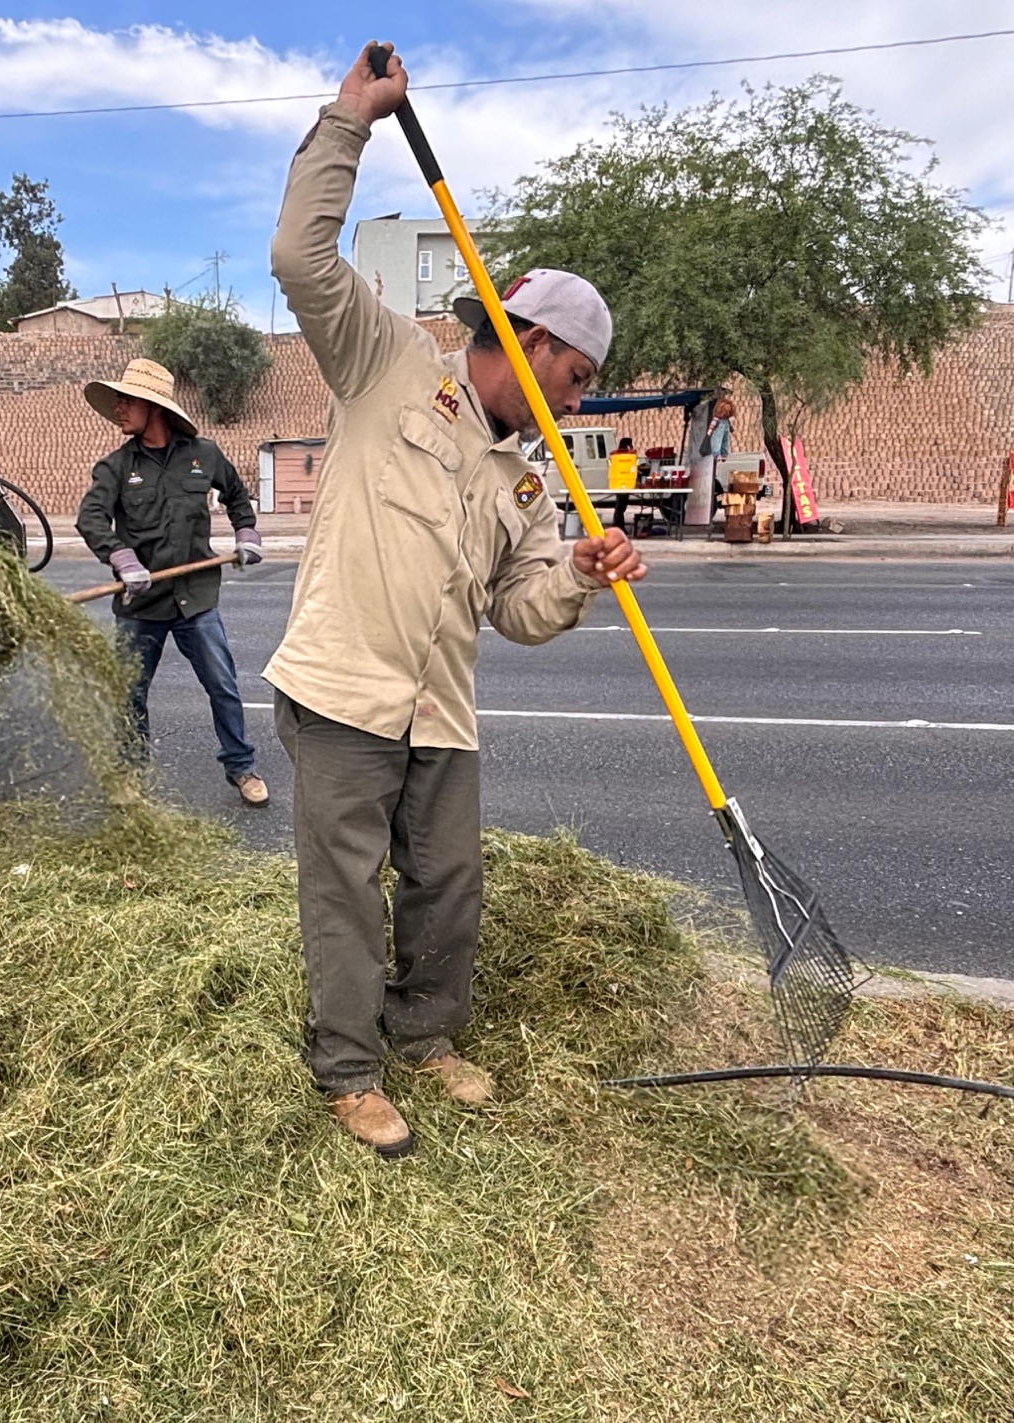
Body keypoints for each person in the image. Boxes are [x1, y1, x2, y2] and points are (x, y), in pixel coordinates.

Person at [265, 42, 647, 1158]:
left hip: (439, 708)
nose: (573, 404)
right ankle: (348, 1071)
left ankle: (425, 1032)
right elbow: (298, 256)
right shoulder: (384, 361)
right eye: (576, 378)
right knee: (345, 891)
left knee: (446, 883)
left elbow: (518, 609)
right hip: (342, 689)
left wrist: (577, 576)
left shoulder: (529, 479)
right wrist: (350, 119)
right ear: (536, 344)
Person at [76, 357, 270, 808]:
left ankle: (241, 768)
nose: (119, 408)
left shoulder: (205, 456)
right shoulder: (116, 467)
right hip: (141, 605)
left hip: (195, 599)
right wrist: (122, 559)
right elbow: (91, 518)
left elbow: (237, 496)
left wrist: (246, 534)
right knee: (129, 694)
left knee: (223, 686)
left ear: (154, 407)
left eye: (127, 401)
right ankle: (130, 775)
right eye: (119, 400)